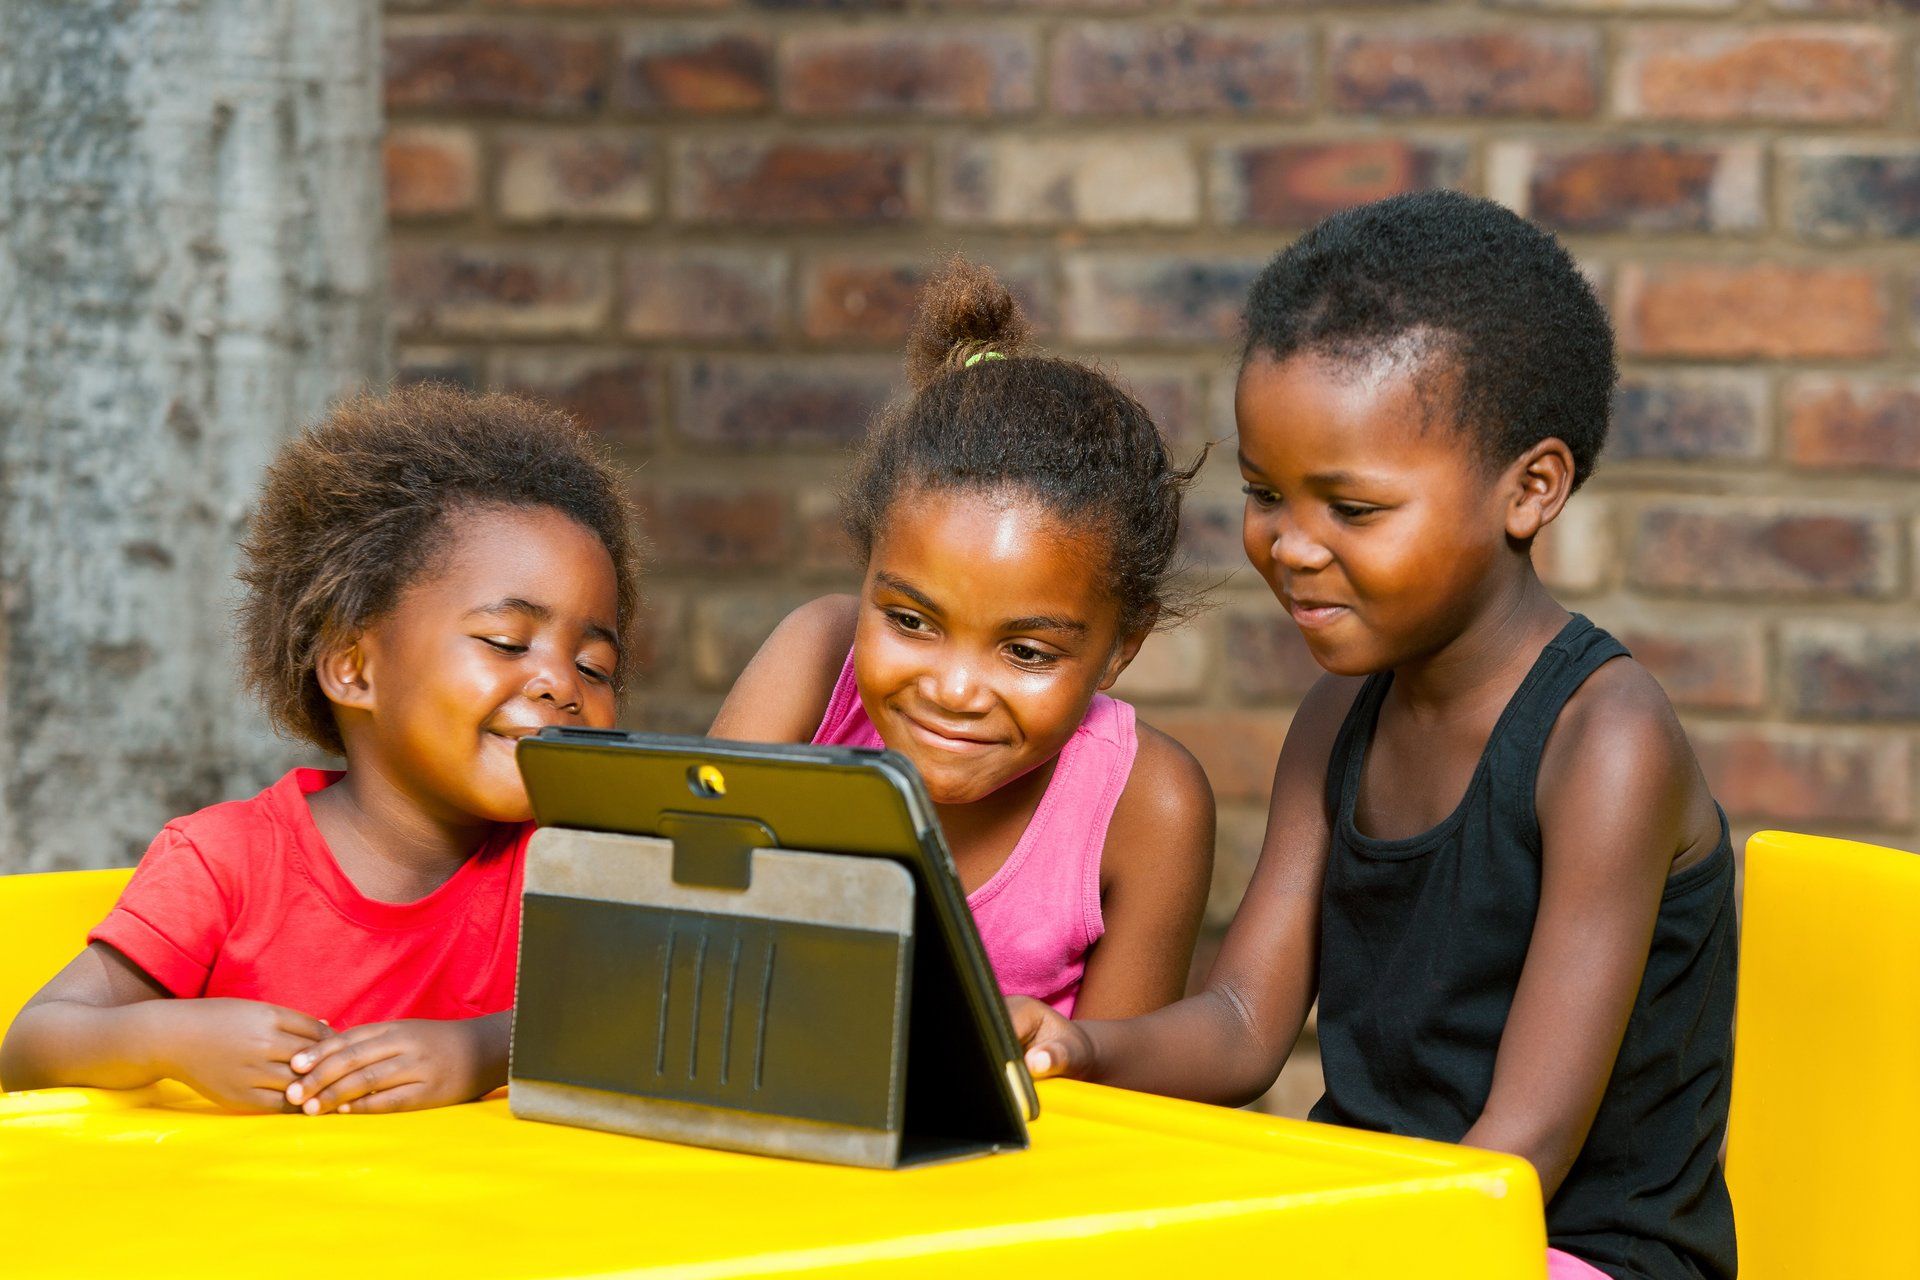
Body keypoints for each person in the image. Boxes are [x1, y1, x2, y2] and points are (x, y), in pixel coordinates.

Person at [1012, 192, 1738, 1280]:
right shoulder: (1340, 716)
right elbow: (1248, 1020)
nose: (1292, 546)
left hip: (1562, 1247)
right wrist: (1082, 1045)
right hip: (1390, 1219)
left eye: (1352, 509)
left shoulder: (1606, 743)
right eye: (1266, 492)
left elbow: (1520, 1153)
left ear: (1530, 489)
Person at [0, 384, 642, 1116]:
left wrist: (481, 1050)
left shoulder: (571, 863)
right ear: (354, 668)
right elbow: (31, 1046)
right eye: (506, 642)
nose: (561, 683)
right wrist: (172, 1039)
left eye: (595, 666)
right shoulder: (225, 864)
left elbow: (652, 1013)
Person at [712, 259, 1215, 1021]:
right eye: (911, 622)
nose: (953, 690)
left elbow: (1117, 1107)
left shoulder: (1149, 805)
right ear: (868, 572)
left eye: (1025, 652)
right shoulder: (817, 663)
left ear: (1121, 649)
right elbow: (673, 908)